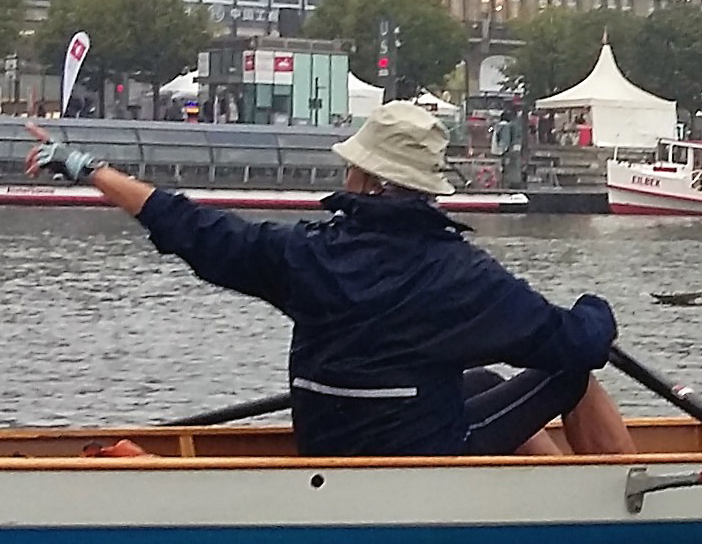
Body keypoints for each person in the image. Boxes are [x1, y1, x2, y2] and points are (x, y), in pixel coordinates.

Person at [23, 103, 636, 459]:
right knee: (571, 374)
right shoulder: (463, 276)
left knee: (478, 376)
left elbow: (193, 229)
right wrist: (596, 309)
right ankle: (611, 520)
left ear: (368, 180)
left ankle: (536, 497)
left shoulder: (305, 252)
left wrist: (86, 167)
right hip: (412, 456)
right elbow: (574, 342)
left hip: (325, 437)